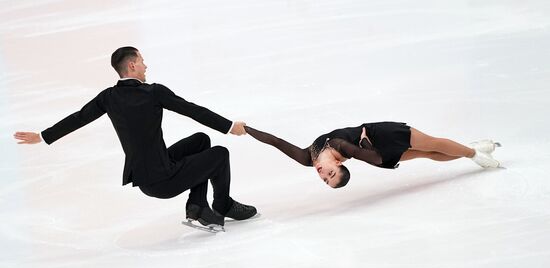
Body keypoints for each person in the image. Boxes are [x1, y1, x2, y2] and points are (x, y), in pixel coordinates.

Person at [13, 46, 256, 230]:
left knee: (201, 141)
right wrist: (229, 127)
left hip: (145, 177)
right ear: (131, 66)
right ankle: (221, 204)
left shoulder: (108, 97)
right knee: (220, 154)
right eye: (141, 61)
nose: (146, 66)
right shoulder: (153, 92)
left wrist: (43, 136)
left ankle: (198, 205)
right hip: (164, 179)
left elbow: (78, 118)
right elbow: (192, 110)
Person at [244, 122, 501, 188]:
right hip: (373, 147)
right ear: (340, 164)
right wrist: (365, 143)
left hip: (383, 134)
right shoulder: (341, 148)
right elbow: (376, 159)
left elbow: (276, 142)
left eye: (327, 177)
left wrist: (246, 129)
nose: (323, 175)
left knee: (431, 143)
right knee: (428, 154)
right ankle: (471, 150)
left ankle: (472, 152)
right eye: (329, 177)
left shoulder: (307, 157)